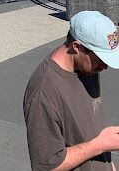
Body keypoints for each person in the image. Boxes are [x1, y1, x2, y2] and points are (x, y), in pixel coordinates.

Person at [24, 10, 119, 170]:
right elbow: (46, 166)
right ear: (77, 47)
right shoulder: (43, 94)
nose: (105, 66)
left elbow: (89, 123)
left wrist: (109, 164)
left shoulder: (88, 67)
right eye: (102, 59)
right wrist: (100, 145)